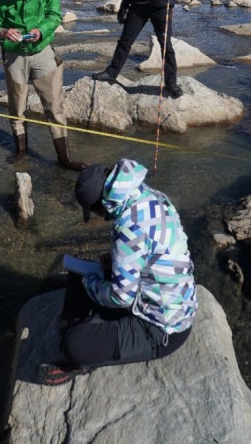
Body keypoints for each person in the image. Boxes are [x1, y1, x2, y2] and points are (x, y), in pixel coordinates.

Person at [40, 158, 197, 384]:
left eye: (95, 212)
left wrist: (89, 283)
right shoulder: (147, 195)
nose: (100, 218)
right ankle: (84, 333)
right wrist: (114, 264)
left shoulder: (128, 225)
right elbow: (148, 251)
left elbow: (121, 297)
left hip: (161, 328)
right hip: (157, 299)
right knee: (79, 276)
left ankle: (78, 354)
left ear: (100, 205)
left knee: (74, 343)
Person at [0, 0, 86, 171]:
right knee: (17, 107)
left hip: (42, 52)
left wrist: (41, 30)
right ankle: (21, 152)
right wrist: (3, 32)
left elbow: (54, 15)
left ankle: (64, 158)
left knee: (54, 105)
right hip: (14, 55)